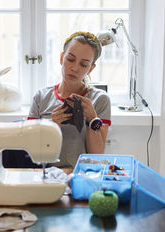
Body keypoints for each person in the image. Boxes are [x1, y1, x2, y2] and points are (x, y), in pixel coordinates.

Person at [28, 31, 111, 168]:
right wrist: (53, 127)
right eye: (70, 59)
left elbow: (96, 154)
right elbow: (32, 153)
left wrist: (92, 118)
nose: (74, 68)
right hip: (47, 177)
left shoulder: (100, 100)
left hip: (82, 177)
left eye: (84, 64)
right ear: (62, 58)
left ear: (91, 68)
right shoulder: (41, 98)